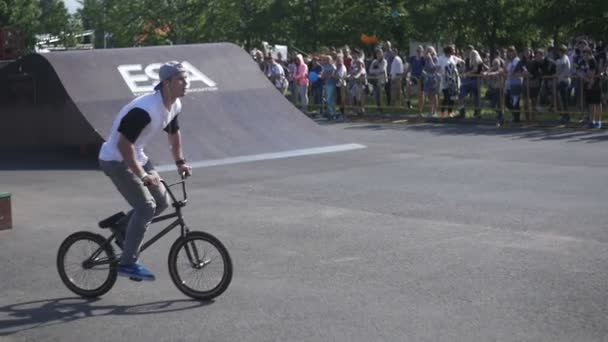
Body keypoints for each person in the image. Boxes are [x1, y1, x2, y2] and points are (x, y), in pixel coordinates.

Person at [98, 61, 193, 281]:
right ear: (166, 83)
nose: (186, 83)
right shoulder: (146, 109)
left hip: (136, 155)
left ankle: (122, 228)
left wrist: (180, 161)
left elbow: (173, 133)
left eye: (186, 78)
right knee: (146, 206)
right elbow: (123, 146)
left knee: (162, 202)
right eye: (181, 79)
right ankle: (128, 263)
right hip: (115, 160)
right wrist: (143, 175)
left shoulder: (174, 104)